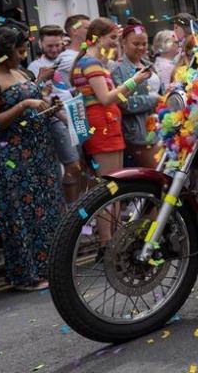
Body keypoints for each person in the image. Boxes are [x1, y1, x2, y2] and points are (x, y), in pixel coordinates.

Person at [0, 26, 65, 291]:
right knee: (21, 215)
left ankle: (52, 266)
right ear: (4, 53)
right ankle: (27, 275)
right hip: (12, 156)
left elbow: (37, 102)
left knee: (47, 210)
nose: (23, 56)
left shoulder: (20, 73)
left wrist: (51, 106)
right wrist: (24, 105)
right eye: (19, 51)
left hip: (39, 151)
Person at [70, 18, 151, 242]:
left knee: (115, 187)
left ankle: (113, 240)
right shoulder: (91, 64)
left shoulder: (97, 63)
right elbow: (106, 99)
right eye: (113, 38)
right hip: (101, 127)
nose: (116, 43)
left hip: (109, 125)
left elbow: (118, 98)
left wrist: (133, 86)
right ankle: (107, 242)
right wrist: (134, 80)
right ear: (97, 37)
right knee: (107, 189)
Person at [27, 24, 82, 204]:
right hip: (55, 120)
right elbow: (34, 96)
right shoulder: (35, 66)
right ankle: (71, 211)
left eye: (58, 45)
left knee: (82, 166)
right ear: (41, 44)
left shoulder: (68, 60)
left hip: (76, 114)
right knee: (72, 166)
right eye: (50, 46)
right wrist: (41, 81)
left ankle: (84, 209)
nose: (55, 49)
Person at [111, 19, 163, 169]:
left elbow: (160, 94)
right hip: (138, 135)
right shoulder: (117, 70)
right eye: (136, 44)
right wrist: (153, 99)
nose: (141, 47)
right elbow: (122, 103)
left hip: (160, 129)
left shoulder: (149, 64)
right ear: (124, 43)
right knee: (159, 176)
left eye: (144, 44)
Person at [56, 14, 89, 87]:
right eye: (87, 28)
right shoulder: (66, 58)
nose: (92, 31)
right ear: (74, 31)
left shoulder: (89, 52)